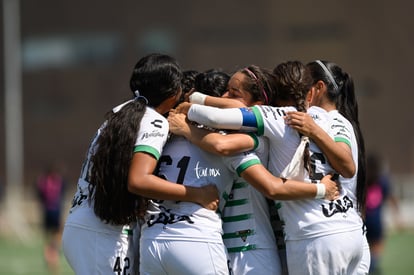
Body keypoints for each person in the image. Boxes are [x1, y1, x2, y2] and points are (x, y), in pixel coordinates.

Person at [174, 60, 365, 274]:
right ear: (310, 94)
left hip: (285, 242)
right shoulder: (332, 119)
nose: (224, 100)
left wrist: (190, 107)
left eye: (232, 93)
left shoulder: (266, 125)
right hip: (349, 231)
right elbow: (349, 168)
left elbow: (268, 183)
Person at [62, 53, 219, 275]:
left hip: (83, 225)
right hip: (104, 235)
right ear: (174, 93)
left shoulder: (119, 112)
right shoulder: (154, 121)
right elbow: (138, 180)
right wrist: (198, 194)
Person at [283, 60, 368, 274]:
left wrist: (314, 131)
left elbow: (348, 165)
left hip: (329, 231)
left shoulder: (335, 120)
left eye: (304, 86)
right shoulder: (327, 120)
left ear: (319, 88)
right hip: (348, 233)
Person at [365, 153, 400, 274]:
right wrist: (397, 217)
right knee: (377, 248)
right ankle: (372, 268)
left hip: (362, 220)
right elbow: (392, 198)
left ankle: (367, 267)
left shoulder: (362, 178)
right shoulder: (383, 180)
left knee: (365, 248)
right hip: (376, 221)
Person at [36, 163, 66, 275]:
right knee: (56, 236)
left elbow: (39, 194)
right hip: (55, 212)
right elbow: (61, 195)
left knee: (49, 237)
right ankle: (53, 257)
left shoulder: (43, 181)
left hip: (47, 211)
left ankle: (49, 255)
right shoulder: (59, 181)